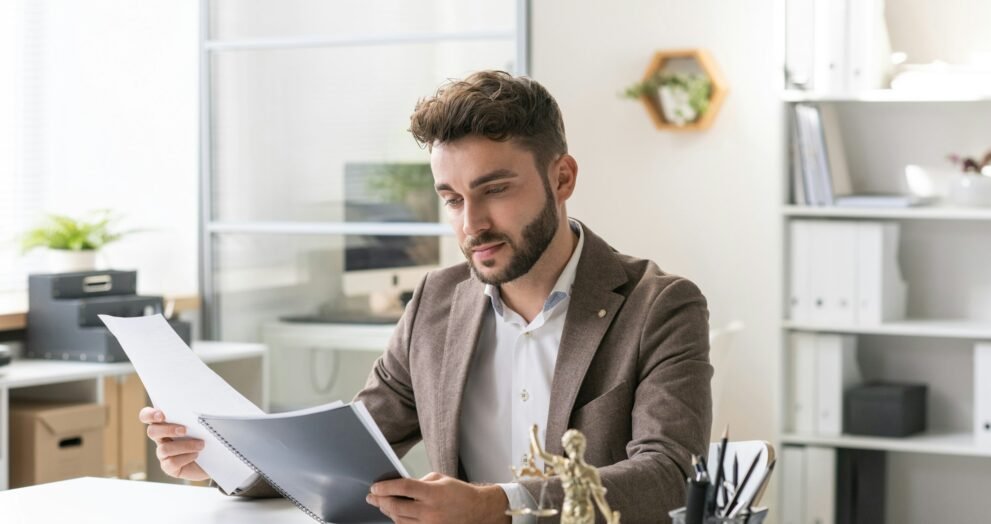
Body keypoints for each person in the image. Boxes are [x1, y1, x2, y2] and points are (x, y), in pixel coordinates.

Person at [140, 70, 713, 524]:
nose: (473, 224)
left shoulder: (658, 306)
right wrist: (220, 460)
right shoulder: (437, 301)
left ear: (562, 178)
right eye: (453, 199)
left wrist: (499, 507)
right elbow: (349, 450)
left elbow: (668, 474)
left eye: (494, 190)